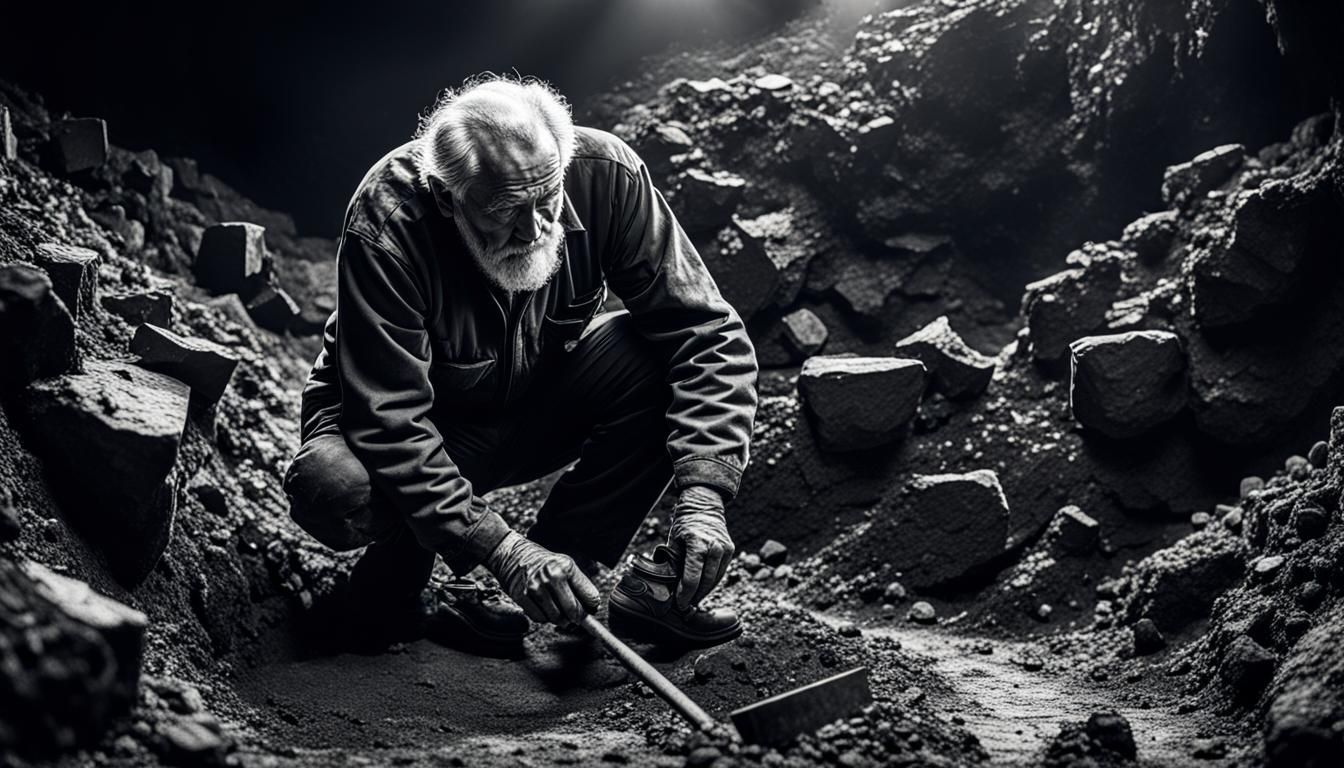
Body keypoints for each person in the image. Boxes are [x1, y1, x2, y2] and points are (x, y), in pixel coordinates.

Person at [281, 74, 759, 653]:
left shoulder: (607, 175)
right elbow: (391, 418)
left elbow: (706, 332)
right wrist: (504, 550)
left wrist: (705, 496)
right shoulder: (389, 224)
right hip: (413, 422)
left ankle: (563, 580)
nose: (534, 231)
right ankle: (395, 594)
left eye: (547, 200)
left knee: (656, 354)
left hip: (532, 396)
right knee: (335, 487)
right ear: (445, 197)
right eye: (505, 212)